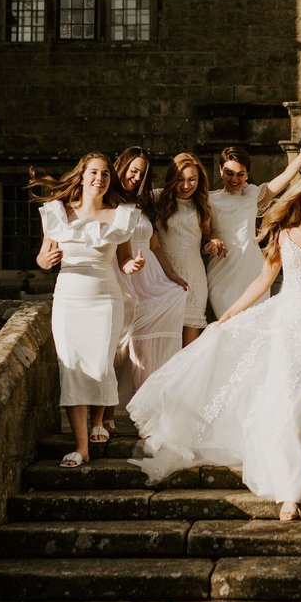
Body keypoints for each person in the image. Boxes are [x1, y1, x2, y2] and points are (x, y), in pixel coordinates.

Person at [128, 170, 301, 520]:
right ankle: (292, 491)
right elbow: (263, 278)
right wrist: (230, 314)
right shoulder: (285, 235)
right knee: (295, 405)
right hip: (289, 326)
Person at [31, 152, 144, 468]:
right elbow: (43, 256)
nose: (100, 178)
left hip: (106, 298)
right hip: (69, 298)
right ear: (81, 176)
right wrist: (45, 261)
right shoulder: (59, 213)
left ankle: (99, 420)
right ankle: (81, 446)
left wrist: (131, 264)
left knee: (100, 361)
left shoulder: (121, 215)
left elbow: (123, 258)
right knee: (72, 366)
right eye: (94, 173)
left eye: (106, 174)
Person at [206, 120, 301, 319]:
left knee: (255, 324)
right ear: (221, 170)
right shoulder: (209, 199)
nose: (235, 179)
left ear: (247, 175)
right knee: (227, 325)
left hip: (252, 269)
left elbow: (287, 176)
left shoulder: (253, 195)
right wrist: (212, 239)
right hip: (222, 271)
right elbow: (205, 231)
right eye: (229, 173)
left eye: (240, 174)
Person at [107, 147, 187, 422]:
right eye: (133, 170)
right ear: (122, 167)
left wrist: (172, 274)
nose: (136, 177)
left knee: (173, 299)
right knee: (126, 336)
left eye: (141, 173)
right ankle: (121, 402)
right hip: (124, 272)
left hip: (150, 272)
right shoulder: (110, 200)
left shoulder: (143, 204)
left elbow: (154, 244)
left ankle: (154, 398)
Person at [154, 152, 225, 347]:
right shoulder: (156, 198)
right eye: (180, 180)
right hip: (162, 278)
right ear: (172, 179)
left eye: (192, 179)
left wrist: (213, 243)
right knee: (162, 345)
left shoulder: (203, 205)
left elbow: (205, 238)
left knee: (188, 350)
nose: (186, 186)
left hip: (193, 280)